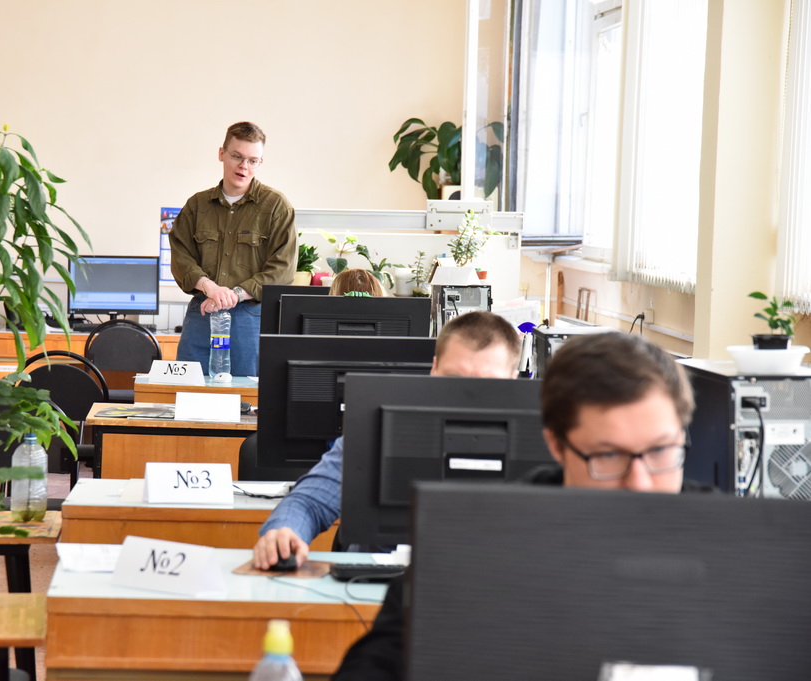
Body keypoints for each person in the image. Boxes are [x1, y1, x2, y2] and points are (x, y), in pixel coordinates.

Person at [331, 331, 709, 681]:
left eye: (661, 450)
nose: (641, 483)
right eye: (608, 455)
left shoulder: (726, 544)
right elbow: (374, 666)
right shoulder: (469, 544)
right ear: (557, 445)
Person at [252, 311, 521, 570]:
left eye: (488, 384)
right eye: (454, 379)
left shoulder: (539, 445)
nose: (467, 396)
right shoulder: (379, 427)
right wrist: (284, 532)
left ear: (514, 381)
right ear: (434, 368)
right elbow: (310, 502)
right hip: (372, 587)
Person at [169, 122, 297, 377]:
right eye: (237, 156)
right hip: (202, 311)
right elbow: (181, 257)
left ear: (260, 162)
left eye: (252, 160)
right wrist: (210, 288)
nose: (244, 166)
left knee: (246, 395)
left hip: (249, 318)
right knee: (188, 391)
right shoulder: (197, 205)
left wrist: (235, 295)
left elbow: (282, 269)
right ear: (222, 153)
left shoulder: (276, 207)